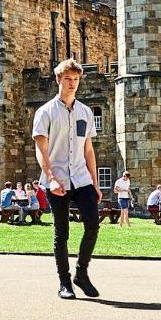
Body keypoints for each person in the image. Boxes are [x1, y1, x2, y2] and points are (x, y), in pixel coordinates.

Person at [33, 59, 102, 299]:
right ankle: (65, 283)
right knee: (61, 232)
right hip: (58, 179)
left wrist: (94, 182)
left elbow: (89, 150)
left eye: (75, 80)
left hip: (82, 178)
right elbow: (41, 150)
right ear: (58, 80)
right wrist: (51, 178)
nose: (72, 84)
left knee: (93, 225)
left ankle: (81, 274)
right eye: (67, 79)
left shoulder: (85, 112)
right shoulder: (45, 113)